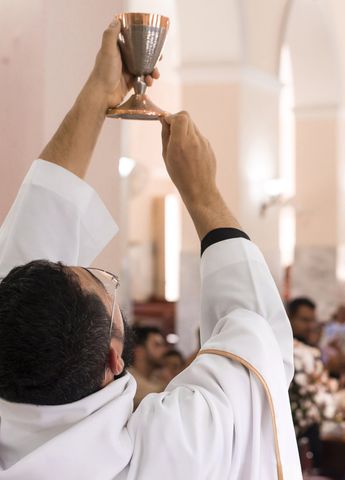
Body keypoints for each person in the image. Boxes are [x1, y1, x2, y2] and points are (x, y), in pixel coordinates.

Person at [0, 20, 301, 479]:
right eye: (107, 286)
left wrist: (97, 95)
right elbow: (261, 348)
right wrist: (202, 192)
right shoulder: (168, 451)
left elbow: (25, 260)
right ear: (113, 359)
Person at [129, 326, 167, 408]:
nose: (164, 350)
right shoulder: (129, 380)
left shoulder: (155, 378)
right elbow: (161, 396)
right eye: (157, 345)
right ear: (139, 351)